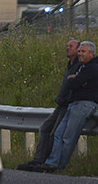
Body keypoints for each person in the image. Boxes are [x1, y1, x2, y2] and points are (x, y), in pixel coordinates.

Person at [32, 41, 98, 173]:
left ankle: (59, 166)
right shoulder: (82, 67)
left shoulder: (92, 68)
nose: (80, 54)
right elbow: (72, 83)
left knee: (68, 137)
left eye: (83, 52)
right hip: (73, 104)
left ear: (91, 54)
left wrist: (75, 79)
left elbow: (73, 83)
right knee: (58, 134)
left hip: (83, 104)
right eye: (80, 51)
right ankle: (51, 163)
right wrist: (75, 80)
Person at [17, 39, 81, 171]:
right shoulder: (70, 65)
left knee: (54, 133)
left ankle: (48, 162)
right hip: (60, 104)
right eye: (67, 45)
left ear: (78, 50)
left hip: (67, 104)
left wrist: (67, 99)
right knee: (45, 128)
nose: (67, 48)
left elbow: (77, 86)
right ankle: (38, 160)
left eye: (71, 46)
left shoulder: (79, 67)